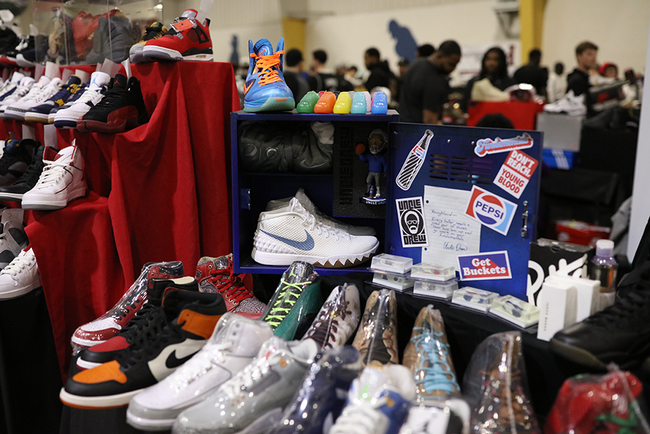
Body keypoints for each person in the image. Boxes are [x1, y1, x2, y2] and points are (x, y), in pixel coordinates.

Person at [399, 40, 461, 124]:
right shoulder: (435, 79)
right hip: (419, 129)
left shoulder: (416, 65)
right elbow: (429, 120)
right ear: (439, 56)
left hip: (403, 124)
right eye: (451, 64)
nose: (453, 69)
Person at [460, 46, 515, 111]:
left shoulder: (509, 84)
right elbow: (465, 106)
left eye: (495, 60)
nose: (491, 63)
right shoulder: (474, 82)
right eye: (488, 59)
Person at [566, 41, 598, 115]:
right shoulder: (577, 80)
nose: (594, 57)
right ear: (579, 57)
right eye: (589, 54)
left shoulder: (586, 77)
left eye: (595, 54)